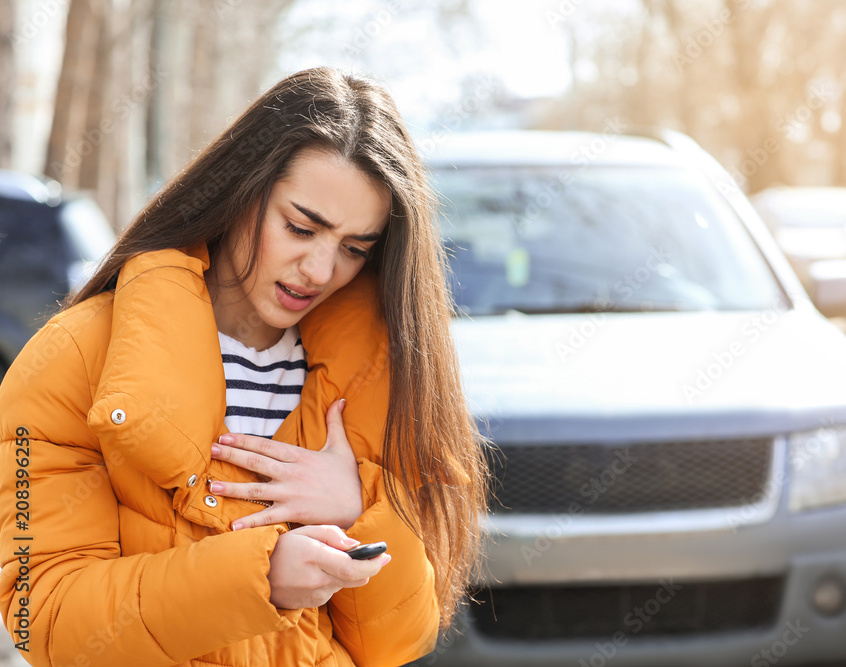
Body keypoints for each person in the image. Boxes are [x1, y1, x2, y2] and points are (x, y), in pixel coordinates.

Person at [0, 67, 487, 667]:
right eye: (301, 227)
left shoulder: (376, 380)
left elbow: (395, 642)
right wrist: (260, 580)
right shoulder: (77, 355)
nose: (319, 269)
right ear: (241, 191)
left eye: (355, 249)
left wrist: (359, 507)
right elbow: (43, 619)